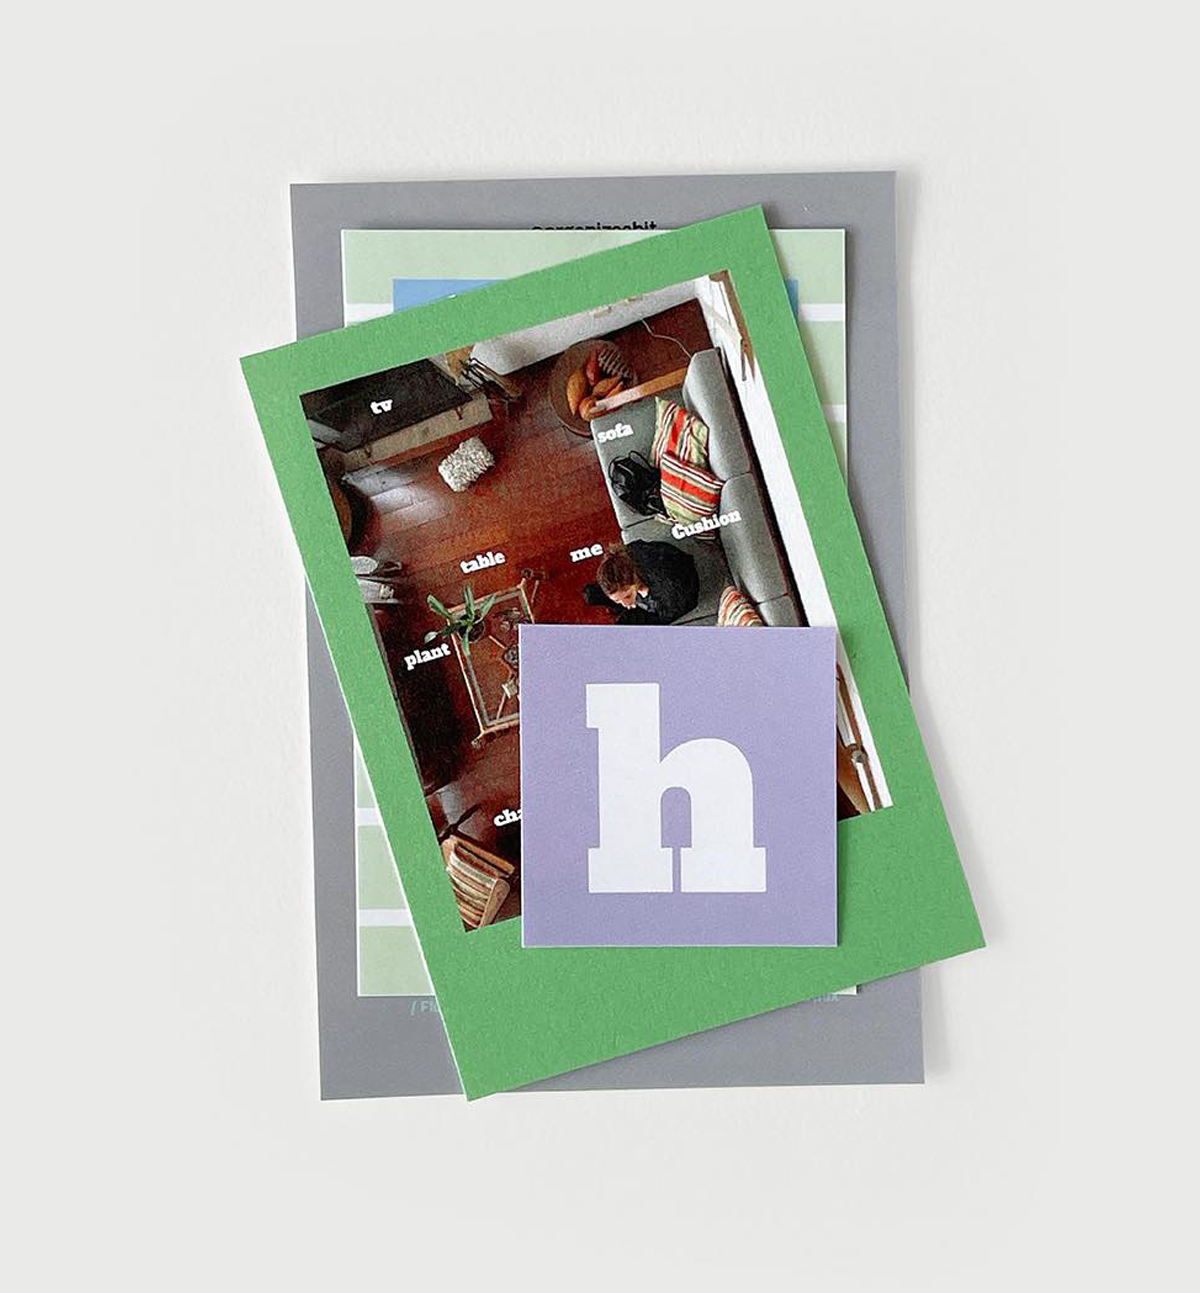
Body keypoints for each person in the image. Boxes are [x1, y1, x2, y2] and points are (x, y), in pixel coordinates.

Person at [584, 541, 699, 625]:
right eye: (618, 600)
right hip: (645, 579)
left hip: (676, 596)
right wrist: (629, 596)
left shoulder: (667, 589)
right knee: (592, 595)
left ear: (635, 579)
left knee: (627, 624)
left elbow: (672, 611)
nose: (627, 605)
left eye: (627, 596)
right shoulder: (623, 557)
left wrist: (645, 600)